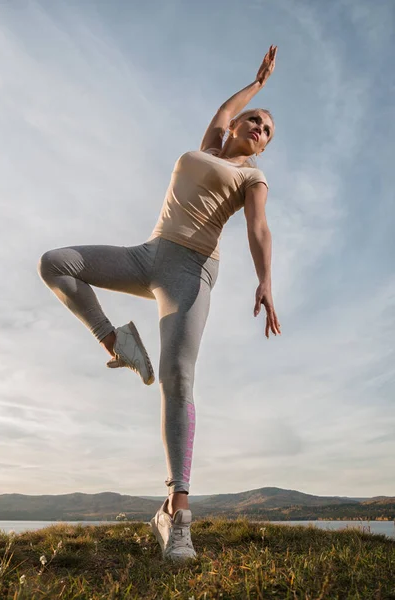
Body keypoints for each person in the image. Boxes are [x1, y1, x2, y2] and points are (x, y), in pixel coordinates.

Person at [38, 44, 281, 562]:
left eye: (267, 131)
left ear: (263, 148)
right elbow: (222, 112)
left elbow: (258, 227)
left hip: (191, 269)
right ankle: (116, 340)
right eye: (255, 121)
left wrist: (265, 280)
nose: (259, 129)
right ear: (236, 125)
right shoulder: (207, 147)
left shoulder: (251, 177)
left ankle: (177, 513)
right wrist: (257, 83)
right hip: (148, 254)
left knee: (178, 375)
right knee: (56, 261)